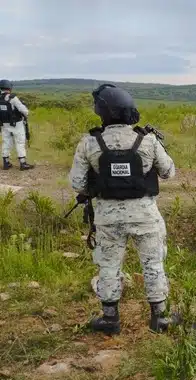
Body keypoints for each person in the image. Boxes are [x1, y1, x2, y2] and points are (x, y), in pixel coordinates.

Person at [68, 83, 178, 335]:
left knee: (108, 265)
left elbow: (77, 183)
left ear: (102, 112)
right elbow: (169, 172)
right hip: (145, 215)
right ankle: (159, 317)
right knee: (153, 264)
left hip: (107, 217)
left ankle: (109, 319)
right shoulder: (146, 140)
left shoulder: (89, 142)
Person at [0, 79, 34, 170]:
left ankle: (6, 163)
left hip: (4, 125)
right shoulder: (13, 98)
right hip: (17, 124)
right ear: (9, 87)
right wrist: (26, 112)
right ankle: (23, 163)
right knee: (20, 142)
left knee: (6, 142)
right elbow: (24, 111)